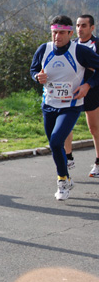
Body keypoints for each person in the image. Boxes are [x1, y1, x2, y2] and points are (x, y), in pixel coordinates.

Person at [30, 15, 99, 201]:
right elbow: (33, 69)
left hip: (71, 105)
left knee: (55, 141)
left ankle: (61, 181)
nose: (57, 36)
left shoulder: (81, 51)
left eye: (61, 32)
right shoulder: (44, 49)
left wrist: (88, 85)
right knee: (55, 144)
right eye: (54, 32)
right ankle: (67, 177)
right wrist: (37, 77)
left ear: (70, 33)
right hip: (49, 104)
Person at [63, 15, 99, 178]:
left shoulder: (97, 45)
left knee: (94, 127)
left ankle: (98, 161)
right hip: (72, 92)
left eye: (84, 25)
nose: (80, 29)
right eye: (77, 25)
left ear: (92, 28)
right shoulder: (70, 45)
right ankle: (68, 158)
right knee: (66, 126)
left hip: (92, 90)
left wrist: (88, 84)